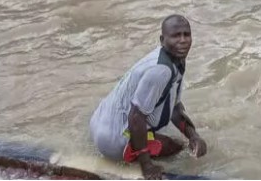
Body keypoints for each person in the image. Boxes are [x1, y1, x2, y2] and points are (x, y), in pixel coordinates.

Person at [89, 15, 207, 179]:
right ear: (162, 39)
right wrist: (147, 166)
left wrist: (193, 135)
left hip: (100, 122)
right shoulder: (161, 70)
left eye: (186, 34)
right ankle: (133, 156)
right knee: (177, 148)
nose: (183, 40)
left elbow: (174, 108)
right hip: (112, 140)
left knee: (185, 142)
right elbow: (136, 117)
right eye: (175, 36)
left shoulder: (173, 59)